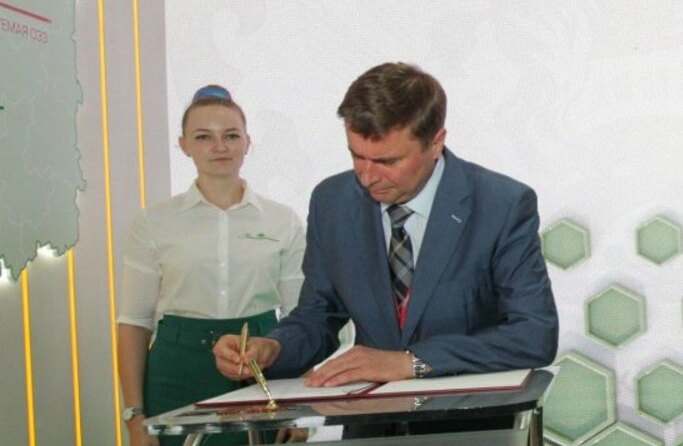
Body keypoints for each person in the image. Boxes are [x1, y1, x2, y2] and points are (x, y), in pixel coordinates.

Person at [213, 62, 558, 386]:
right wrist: (273, 349)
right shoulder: (332, 202)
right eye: (356, 156)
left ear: (436, 143)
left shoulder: (502, 205)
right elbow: (318, 316)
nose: (367, 177)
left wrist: (412, 362)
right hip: (370, 423)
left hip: (473, 420)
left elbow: (533, 336)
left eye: (387, 161)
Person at [116, 85, 306, 446]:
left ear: (248, 143)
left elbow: (302, 320)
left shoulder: (281, 220)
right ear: (184, 146)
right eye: (203, 136)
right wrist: (135, 417)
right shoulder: (155, 222)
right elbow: (133, 323)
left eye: (231, 135)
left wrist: (296, 409)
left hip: (260, 368)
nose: (219, 146)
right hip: (176, 372)